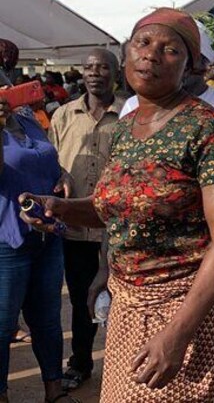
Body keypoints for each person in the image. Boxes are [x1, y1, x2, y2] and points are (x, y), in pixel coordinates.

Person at [21, 8, 214, 402]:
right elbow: (115, 208)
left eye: (170, 50)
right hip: (130, 308)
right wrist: (61, 207)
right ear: (126, 55)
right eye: (143, 43)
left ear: (190, 67)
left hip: (195, 315)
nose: (151, 55)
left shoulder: (209, 129)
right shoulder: (126, 128)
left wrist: (177, 334)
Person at [48, 49, 125, 391]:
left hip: (118, 224)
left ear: (116, 72)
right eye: (90, 67)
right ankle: (81, 361)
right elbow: (51, 162)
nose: (95, 73)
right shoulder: (63, 115)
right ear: (82, 73)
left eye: (103, 67)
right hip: (77, 227)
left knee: (121, 295)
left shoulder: (130, 114)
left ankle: (124, 363)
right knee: (81, 298)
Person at [0, 66, 70, 403]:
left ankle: (53, 392)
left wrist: (63, 175)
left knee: (47, 321)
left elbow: (46, 158)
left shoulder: (28, 118)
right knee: (2, 325)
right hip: (7, 242)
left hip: (47, 236)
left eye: (4, 82)